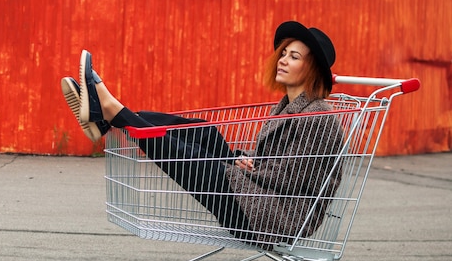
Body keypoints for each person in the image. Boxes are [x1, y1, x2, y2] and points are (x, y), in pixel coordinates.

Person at [60, 21, 344, 246]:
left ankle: (110, 111)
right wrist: (247, 162)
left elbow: (296, 178)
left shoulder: (318, 117)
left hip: (275, 218)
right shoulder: (286, 107)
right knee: (205, 133)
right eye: (283, 53)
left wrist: (249, 167)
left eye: (293, 57)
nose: (282, 60)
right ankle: (111, 115)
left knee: (198, 161)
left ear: (312, 69)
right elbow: (275, 164)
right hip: (260, 197)